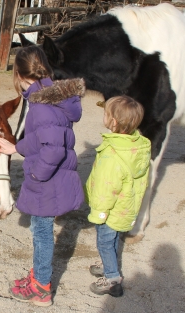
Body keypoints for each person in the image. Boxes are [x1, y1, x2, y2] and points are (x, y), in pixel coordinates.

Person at [0, 45, 85, 307]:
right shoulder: (51, 97)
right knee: (39, 229)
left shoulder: (41, 106)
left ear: (20, 74)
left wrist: (36, 174)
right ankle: (38, 276)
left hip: (47, 182)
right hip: (52, 180)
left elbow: (53, 149)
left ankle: (42, 289)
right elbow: (43, 137)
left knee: (42, 233)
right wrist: (17, 147)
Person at [85, 96, 151, 297]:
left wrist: (99, 212)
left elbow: (107, 188)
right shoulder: (137, 147)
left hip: (110, 210)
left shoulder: (113, 154)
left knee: (104, 241)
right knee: (113, 238)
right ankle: (108, 263)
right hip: (125, 207)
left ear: (113, 122)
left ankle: (112, 279)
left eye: (106, 113)